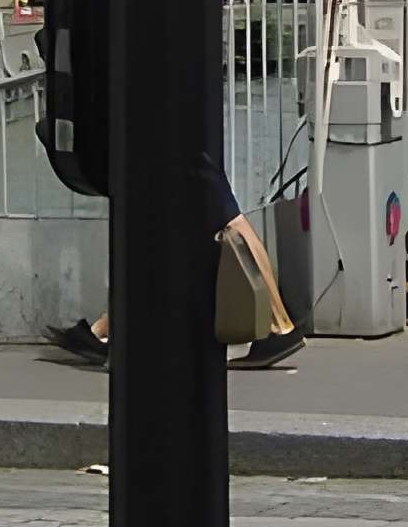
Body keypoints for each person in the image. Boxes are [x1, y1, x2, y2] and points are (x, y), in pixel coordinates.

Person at [47, 157, 304, 371]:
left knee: (216, 207)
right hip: (180, 118)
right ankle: (111, 328)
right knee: (164, 217)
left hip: (178, 118)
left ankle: (279, 327)